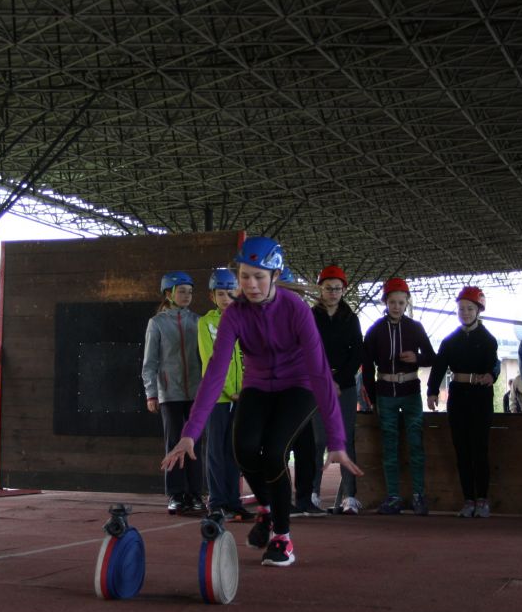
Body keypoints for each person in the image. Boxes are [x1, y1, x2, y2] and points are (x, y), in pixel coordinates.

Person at [160, 236, 362, 567]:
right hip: (257, 385)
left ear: (275, 275)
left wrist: (337, 440)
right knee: (243, 449)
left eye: (259, 277)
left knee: (274, 452)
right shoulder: (235, 315)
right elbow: (214, 374)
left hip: (298, 385)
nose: (250, 285)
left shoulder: (296, 309)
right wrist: (190, 433)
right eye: (244, 276)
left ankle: (282, 537)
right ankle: (266, 510)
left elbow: (320, 374)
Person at [362, 278, 436, 515]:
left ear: (407, 303)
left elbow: (432, 357)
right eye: (392, 302)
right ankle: (393, 496)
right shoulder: (375, 330)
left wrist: (417, 358)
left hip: (411, 391)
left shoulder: (416, 328)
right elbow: (367, 366)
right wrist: (372, 398)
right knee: (389, 445)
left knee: (416, 443)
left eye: (401, 302)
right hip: (385, 393)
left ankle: (418, 495)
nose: (396, 306)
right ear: (385, 302)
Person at [427, 286, 499, 518]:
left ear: (478, 310)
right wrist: (431, 392)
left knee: (480, 449)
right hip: (457, 397)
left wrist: (492, 375)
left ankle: (482, 499)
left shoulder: (489, 340)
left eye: (469, 308)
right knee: (462, 450)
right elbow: (438, 367)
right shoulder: (450, 341)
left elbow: (494, 365)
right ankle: (468, 499)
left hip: (481, 398)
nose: (465, 313)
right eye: (461, 309)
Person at [142, 270, 204, 515]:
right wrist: (151, 393)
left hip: (197, 393)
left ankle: (195, 493)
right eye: (182, 291)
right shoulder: (157, 323)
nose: (187, 296)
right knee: (174, 441)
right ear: (168, 294)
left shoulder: (198, 321)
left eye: (190, 292)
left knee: (195, 443)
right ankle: (176, 494)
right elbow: (150, 362)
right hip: (170, 393)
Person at [305, 265, 363, 516]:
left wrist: (339, 380)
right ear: (320, 289)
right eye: (328, 288)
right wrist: (324, 379)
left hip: (345, 385)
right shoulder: (309, 316)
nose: (333, 293)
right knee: (318, 440)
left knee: (345, 438)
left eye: (337, 289)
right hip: (317, 383)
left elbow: (357, 352)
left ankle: (350, 497)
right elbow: (306, 349)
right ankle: (313, 493)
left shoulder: (351, 318)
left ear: (343, 290)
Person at [196, 268, 248, 521]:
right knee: (215, 451)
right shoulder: (206, 323)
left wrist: (246, 389)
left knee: (234, 451)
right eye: (220, 294)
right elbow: (212, 359)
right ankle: (217, 502)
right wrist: (229, 390)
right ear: (212, 296)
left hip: (242, 396)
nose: (226, 298)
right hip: (217, 397)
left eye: (230, 293)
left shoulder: (245, 320)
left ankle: (233, 501)